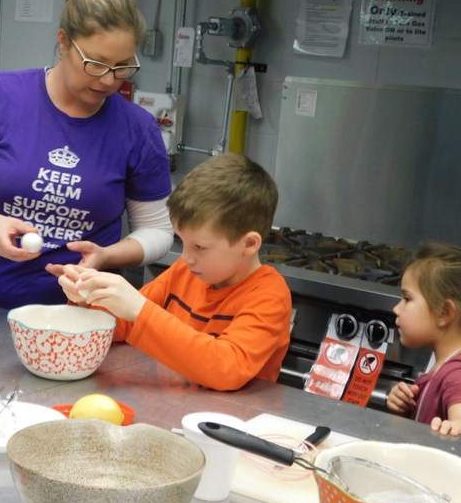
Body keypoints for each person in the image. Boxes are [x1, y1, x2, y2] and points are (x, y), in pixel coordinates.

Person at [0, 0, 173, 309]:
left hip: (80, 317)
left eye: (122, 67)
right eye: (96, 63)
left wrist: (107, 256)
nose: (108, 80)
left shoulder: (137, 129)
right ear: (63, 42)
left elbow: (157, 232)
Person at [57, 153, 292, 391]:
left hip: (229, 421)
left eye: (199, 247)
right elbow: (124, 325)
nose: (186, 258)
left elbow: (227, 368)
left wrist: (140, 310)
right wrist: (87, 300)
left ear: (249, 244)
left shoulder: (269, 296)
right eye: (182, 242)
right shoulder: (185, 272)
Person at [385, 243, 461, 443]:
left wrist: (459, 427)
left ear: (444, 313)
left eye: (406, 298)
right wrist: (404, 408)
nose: (396, 308)